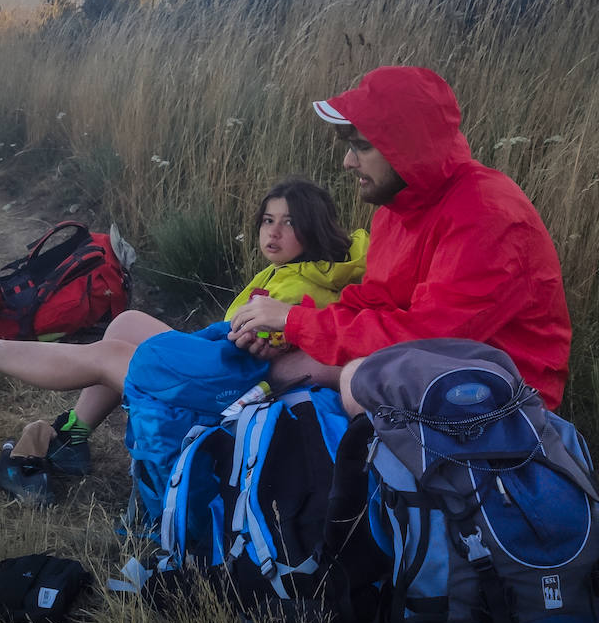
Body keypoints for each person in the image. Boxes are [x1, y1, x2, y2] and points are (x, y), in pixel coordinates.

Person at [0, 177, 368, 477]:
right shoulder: (299, 270)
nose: (273, 232)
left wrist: (269, 337)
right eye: (268, 220)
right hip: (227, 364)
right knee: (126, 322)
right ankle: (73, 436)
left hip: (239, 391)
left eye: (289, 222)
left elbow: (274, 349)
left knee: (110, 356)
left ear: (313, 226)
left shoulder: (309, 286)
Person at [227, 66, 572, 412]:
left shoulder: (488, 214)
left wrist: (295, 322)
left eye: (361, 147)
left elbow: (427, 337)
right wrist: (290, 333)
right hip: (434, 363)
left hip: (508, 392)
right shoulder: (399, 209)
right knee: (284, 368)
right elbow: (375, 303)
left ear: (406, 148)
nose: (348, 162)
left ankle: (375, 463)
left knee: (361, 381)